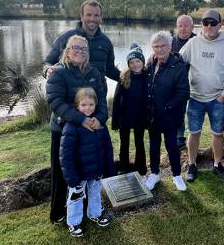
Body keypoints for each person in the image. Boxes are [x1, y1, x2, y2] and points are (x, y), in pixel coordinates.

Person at [46, 35, 113, 223]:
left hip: (90, 131)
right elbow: (55, 101)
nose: (80, 52)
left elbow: (101, 100)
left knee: (88, 171)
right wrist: (81, 119)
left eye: (84, 49)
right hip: (64, 131)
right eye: (76, 47)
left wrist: (99, 119)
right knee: (63, 171)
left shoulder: (95, 73)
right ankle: (58, 211)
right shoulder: (58, 73)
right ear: (67, 50)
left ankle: (87, 210)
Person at [179, 9, 224, 182]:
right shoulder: (193, 43)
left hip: (217, 99)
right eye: (206, 23)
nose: (209, 26)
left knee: (218, 133)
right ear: (201, 25)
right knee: (194, 132)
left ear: (220, 25)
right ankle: (192, 164)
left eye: (213, 23)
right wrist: (158, 56)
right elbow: (178, 62)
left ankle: (217, 164)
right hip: (195, 97)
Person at [60, 87, 116, 237]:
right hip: (79, 173)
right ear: (77, 105)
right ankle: (73, 222)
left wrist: (109, 167)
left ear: (96, 105)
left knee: (95, 193)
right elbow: (66, 156)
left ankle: (95, 213)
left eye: (91, 104)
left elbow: (107, 148)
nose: (87, 108)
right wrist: (71, 176)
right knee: (76, 197)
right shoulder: (71, 126)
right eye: (83, 105)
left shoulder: (99, 124)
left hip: (96, 169)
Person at [145, 31, 190, 191]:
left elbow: (184, 92)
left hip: (170, 116)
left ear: (170, 46)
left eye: (163, 45)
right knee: (154, 145)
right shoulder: (150, 63)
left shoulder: (178, 65)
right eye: (156, 46)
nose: (160, 49)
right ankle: (155, 174)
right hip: (152, 116)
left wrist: (167, 107)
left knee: (172, 145)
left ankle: (177, 175)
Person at [43, 0, 120, 85]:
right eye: (89, 15)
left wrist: (129, 77)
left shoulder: (106, 42)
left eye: (96, 15)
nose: (92, 19)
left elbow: (110, 70)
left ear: (101, 17)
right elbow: (47, 62)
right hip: (71, 95)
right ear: (81, 16)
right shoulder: (65, 38)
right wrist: (47, 70)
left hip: (98, 95)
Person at [111, 44, 148, 176]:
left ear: (142, 61)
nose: (135, 64)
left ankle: (141, 168)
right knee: (124, 143)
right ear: (128, 64)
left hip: (140, 116)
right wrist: (115, 120)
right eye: (131, 62)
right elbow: (116, 100)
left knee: (139, 142)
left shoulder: (147, 76)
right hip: (124, 116)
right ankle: (123, 167)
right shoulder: (124, 77)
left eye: (138, 61)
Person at [171, 15, 196, 152]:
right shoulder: (171, 41)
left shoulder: (197, 41)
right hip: (175, 82)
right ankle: (179, 136)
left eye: (186, 25)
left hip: (193, 82)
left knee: (191, 111)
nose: (183, 28)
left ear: (192, 27)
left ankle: (191, 135)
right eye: (180, 25)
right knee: (177, 108)